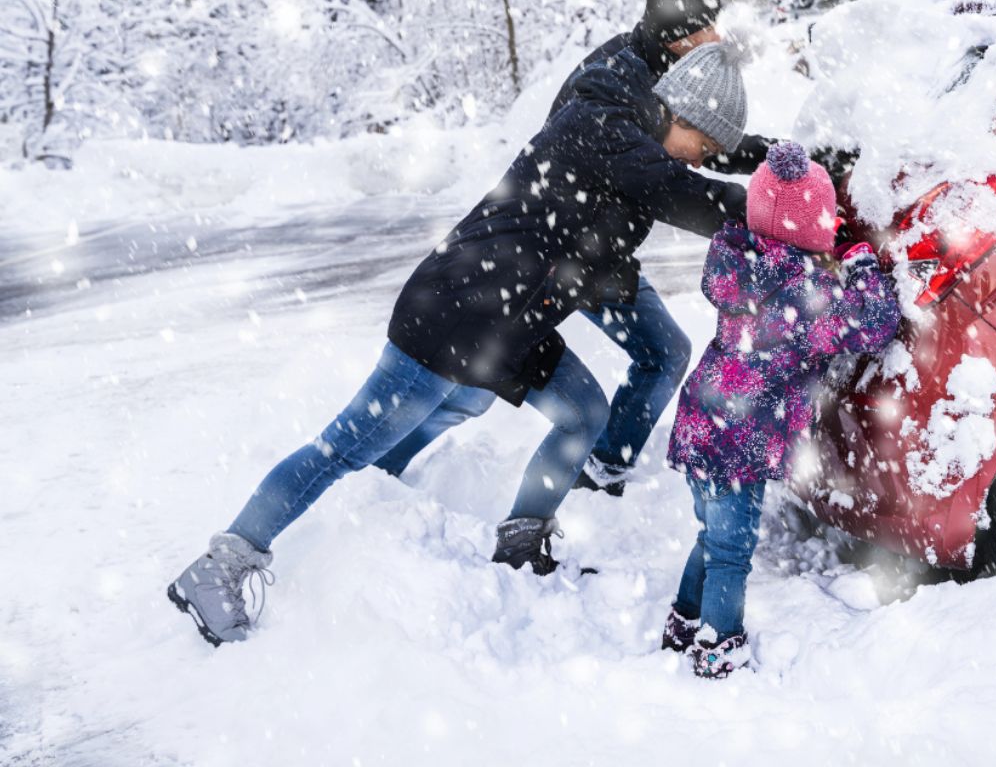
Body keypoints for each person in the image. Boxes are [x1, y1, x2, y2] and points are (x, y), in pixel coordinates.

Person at [167, 42, 750, 646]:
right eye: (703, 148)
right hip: (450, 318)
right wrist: (776, 212)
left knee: (580, 412)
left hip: (508, 326)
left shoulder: (638, 145)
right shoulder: (607, 131)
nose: (700, 162)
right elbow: (686, 195)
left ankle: (519, 542)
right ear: (680, 113)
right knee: (344, 447)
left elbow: (659, 194)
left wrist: (771, 171)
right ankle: (220, 566)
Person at [659, 142, 901, 679]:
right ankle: (719, 646)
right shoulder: (805, 297)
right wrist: (860, 261)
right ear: (811, 226)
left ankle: (683, 622)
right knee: (731, 552)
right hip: (737, 442)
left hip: (703, 423)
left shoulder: (740, 266)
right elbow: (875, 319)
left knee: (711, 537)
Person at [536, 0, 776, 498]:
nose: (717, 37)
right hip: (573, 247)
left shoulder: (663, 71)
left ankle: (603, 469)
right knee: (452, 376)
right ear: (679, 36)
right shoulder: (619, 79)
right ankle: (599, 475)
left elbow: (707, 139)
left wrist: (773, 159)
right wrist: (762, 209)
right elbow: (663, 182)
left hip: (601, 247)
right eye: (707, 27)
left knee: (664, 353)